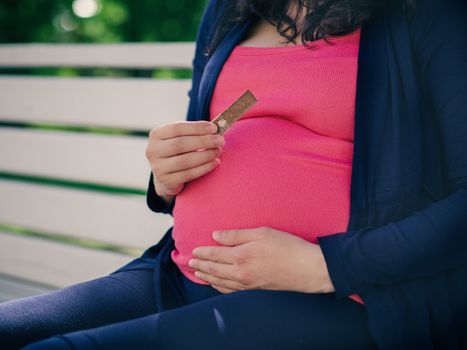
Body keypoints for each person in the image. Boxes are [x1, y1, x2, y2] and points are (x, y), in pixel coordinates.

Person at [1, 0, 466, 348]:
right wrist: (167, 176)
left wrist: (325, 267)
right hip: (182, 274)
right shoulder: (230, 8)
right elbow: (202, 144)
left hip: (339, 300)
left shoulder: (424, 13)